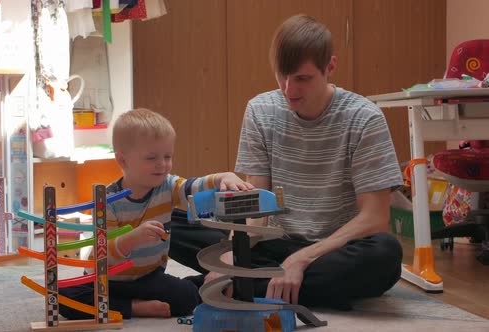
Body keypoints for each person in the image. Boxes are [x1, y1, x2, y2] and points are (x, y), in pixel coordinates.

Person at [204, 14, 405, 309]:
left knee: (385, 254)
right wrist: (230, 256)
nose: (289, 90)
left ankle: (249, 285)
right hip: (273, 243)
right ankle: (263, 283)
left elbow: (375, 217)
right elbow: (257, 205)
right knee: (182, 227)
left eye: (302, 78)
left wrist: (300, 260)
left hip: (334, 248)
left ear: (330, 67)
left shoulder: (364, 118)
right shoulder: (260, 110)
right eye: (281, 77)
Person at [58, 108, 253, 320]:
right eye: (151, 158)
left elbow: (192, 186)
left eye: (167, 156)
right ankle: (133, 308)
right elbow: (104, 256)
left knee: (185, 297)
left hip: (148, 277)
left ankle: (208, 283)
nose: (162, 164)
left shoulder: (167, 186)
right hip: (107, 280)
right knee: (63, 298)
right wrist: (132, 238)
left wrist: (221, 178)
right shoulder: (107, 201)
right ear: (123, 161)